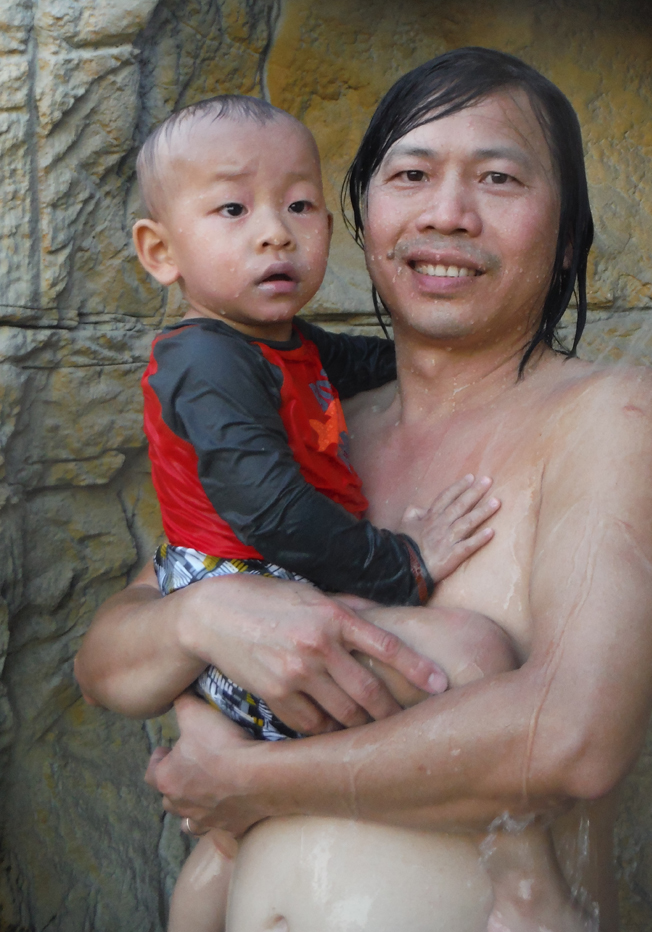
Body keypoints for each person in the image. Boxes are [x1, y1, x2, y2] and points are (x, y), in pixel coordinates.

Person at [75, 47, 652, 932]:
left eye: (497, 178)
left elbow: (573, 741)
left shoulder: (610, 414)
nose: (447, 214)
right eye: (410, 175)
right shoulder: (312, 420)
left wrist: (242, 783)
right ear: (363, 219)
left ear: (566, 236)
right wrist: (200, 620)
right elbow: (104, 662)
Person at [127, 95, 517, 930]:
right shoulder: (204, 360)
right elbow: (271, 511)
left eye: (299, 205)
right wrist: (403, 564)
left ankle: (235, 804)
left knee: (233, 841)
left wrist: (467, 357)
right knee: (475, 656)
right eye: (233, 209)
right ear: (160, 252)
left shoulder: (283, 342)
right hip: (243, 593)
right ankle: (526, 875)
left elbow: (385, 362)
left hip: (249, 598)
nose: (274, 232)